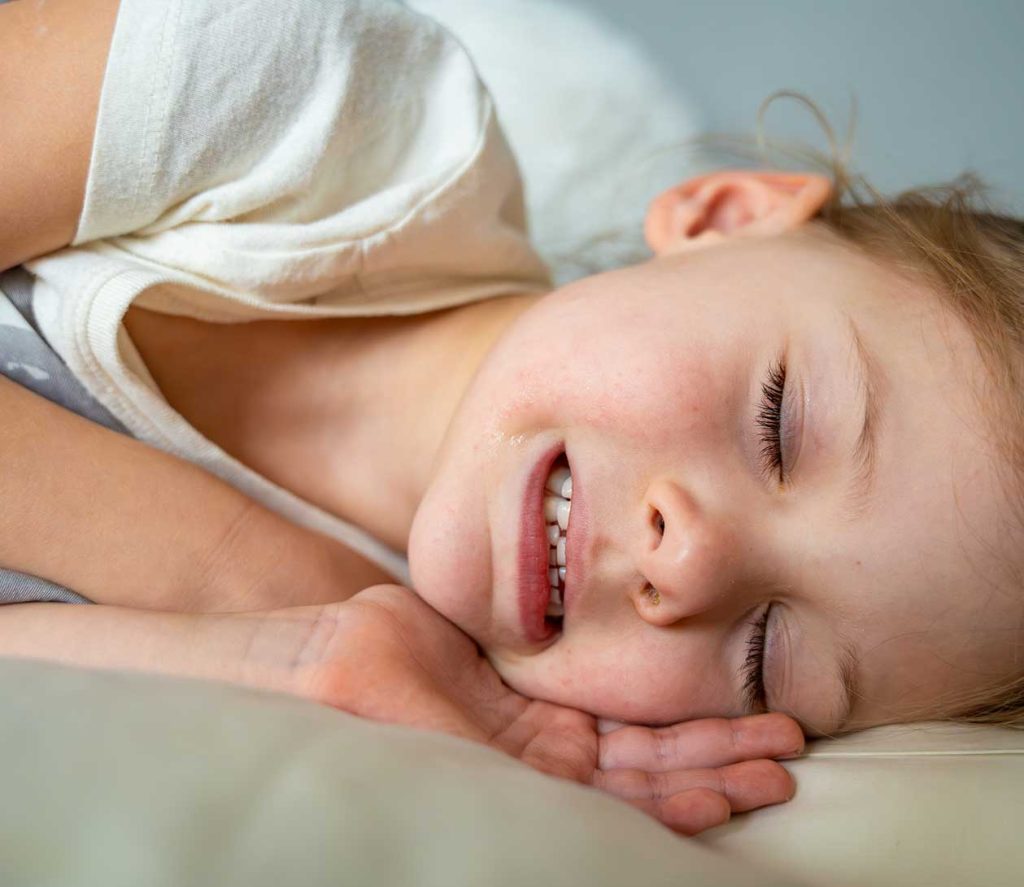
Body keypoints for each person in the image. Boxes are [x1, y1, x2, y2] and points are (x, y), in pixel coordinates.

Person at [1, 0, 1022, 836]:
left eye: (766, 654)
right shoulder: (294, 103)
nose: (692, 561)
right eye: (777, 423)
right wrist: (249, 573)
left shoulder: (398, 680)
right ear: (724, 216)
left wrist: (291, 653)